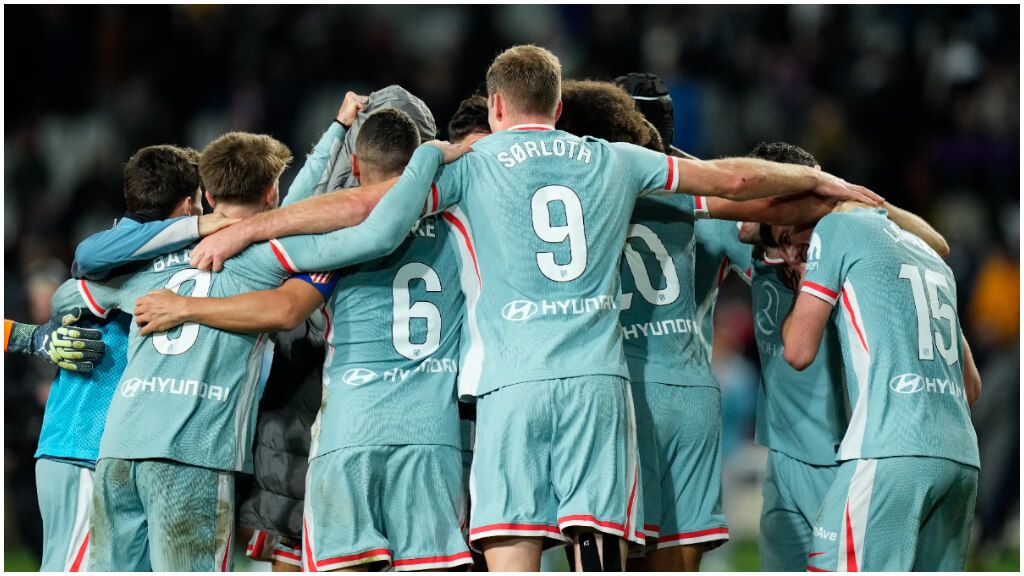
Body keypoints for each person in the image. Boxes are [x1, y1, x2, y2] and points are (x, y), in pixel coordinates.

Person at [186, 45, 881, 572]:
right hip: (596, 384)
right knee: (599, 545)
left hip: (511, 386)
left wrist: (251, 227)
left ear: (494, 106)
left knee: (513, 548)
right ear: (556, 103)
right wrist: (823, 179)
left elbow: (368, 211)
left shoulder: (469, 164)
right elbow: (732, 178)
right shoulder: (612, 160)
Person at [137, 107, 474, 572]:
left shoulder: (330, 232)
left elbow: (289, 298)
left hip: (348, 429)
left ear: (355, 166)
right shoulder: (460, 215)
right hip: (429, 430)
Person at [781, 202, 981, 571]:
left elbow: (796, 350)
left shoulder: (835, 228)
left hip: (888, 449)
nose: (787, 256)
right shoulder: (927, 253)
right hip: (961, 458)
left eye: (787, 240)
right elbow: (971, 386)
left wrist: (811, 276)